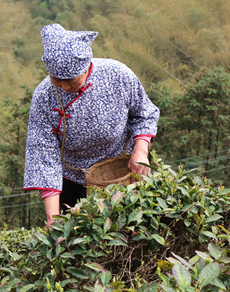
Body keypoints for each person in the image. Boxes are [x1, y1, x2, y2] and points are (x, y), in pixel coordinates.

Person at [23, 24, 159, 226]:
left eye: (71, 80)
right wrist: (53, 220)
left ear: (87, 66)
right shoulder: (44, 96)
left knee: (130, 228)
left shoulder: (117, 75)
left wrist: (141, 150)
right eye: (56, 80)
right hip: (71, 175)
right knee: (76, 236)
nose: (64, 87)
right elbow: (43, 154)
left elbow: (144, 113)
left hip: (122, 167)